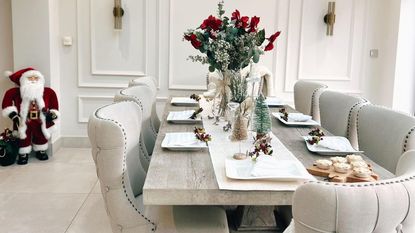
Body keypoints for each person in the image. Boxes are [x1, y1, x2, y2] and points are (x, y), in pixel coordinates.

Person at [2, 67, 59, 165]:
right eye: (30, 78)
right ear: (23, 80)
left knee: (41, 134)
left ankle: (41, 150)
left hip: (40, 119)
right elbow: (6, 104)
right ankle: (23, 154)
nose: (33, 80)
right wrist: (13, 115)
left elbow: (54, 106)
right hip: (23, 119)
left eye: (36, 78)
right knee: (23, 136)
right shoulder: (14, 92)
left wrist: (52, 114)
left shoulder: (49, 92)